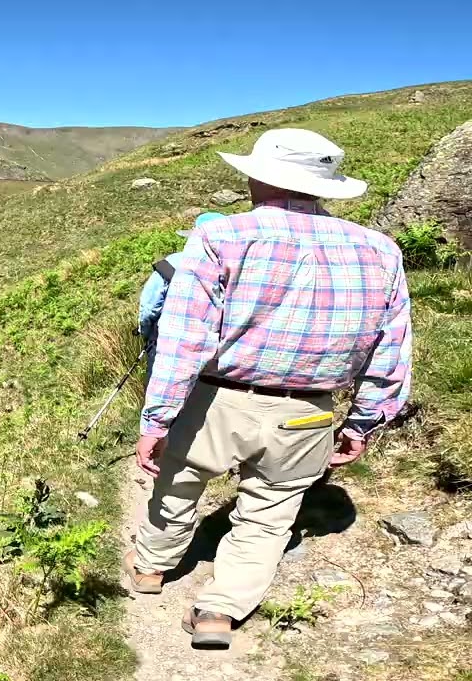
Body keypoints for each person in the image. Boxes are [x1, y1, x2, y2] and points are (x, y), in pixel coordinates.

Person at [123, 129, 413, 649]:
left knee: (179, 483)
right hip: (308, 411)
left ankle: (150, 569)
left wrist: (157, 419)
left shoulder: (222, 237)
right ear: (325, 186)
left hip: (214, 397)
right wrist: (365, 419)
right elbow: (390, 347)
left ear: (257, 176)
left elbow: (184, 339)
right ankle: (219, 611)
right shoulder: (380, 250)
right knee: (271, 511)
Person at [137, 212, 226, 369]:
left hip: (169, 347)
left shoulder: (171, 264)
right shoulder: (231, 268)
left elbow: (148, 309)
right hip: (216, 353)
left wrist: (146, 334)